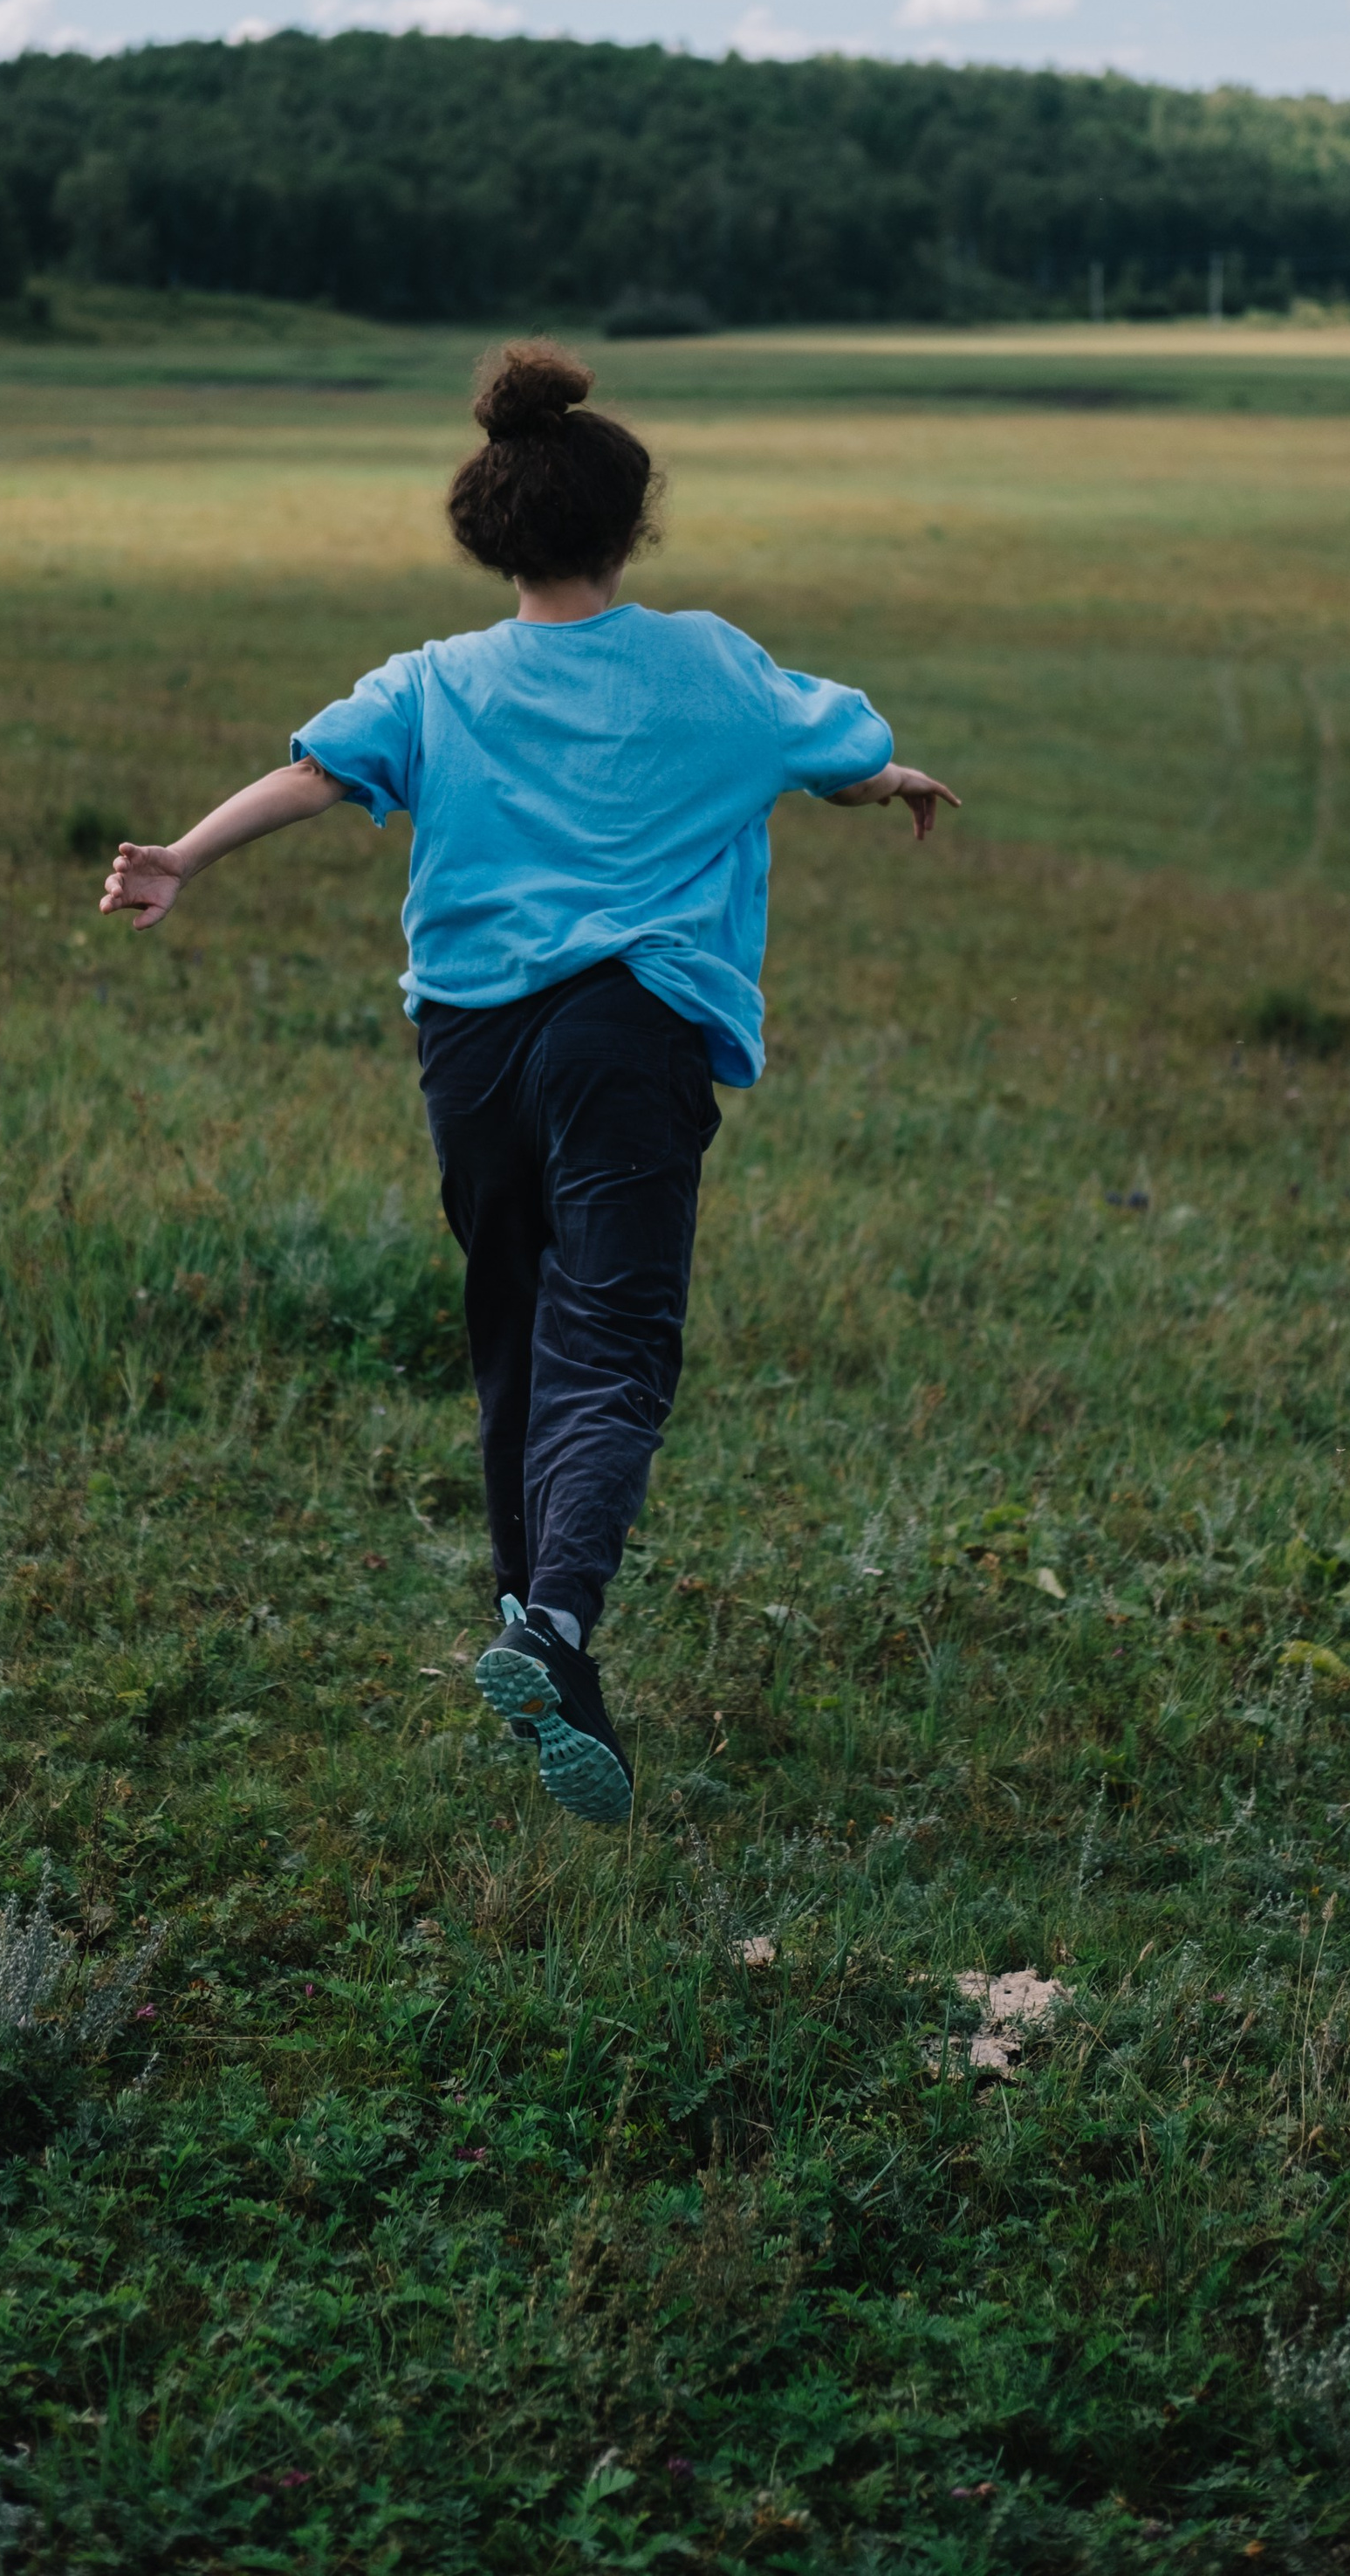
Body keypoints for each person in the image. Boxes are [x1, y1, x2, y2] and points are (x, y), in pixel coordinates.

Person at [99, 344, 959, 1830]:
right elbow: (832, 742)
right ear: (631, 527)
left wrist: (183, 854)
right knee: (613, 1340)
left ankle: (540, 1639)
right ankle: (554, 1624)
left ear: (494, 532)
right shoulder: (709, 663)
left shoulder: (436, 680)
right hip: (627, 1032)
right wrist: (882, 783)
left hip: (472, 1046)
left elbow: (316, 773)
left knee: (516, 1331)